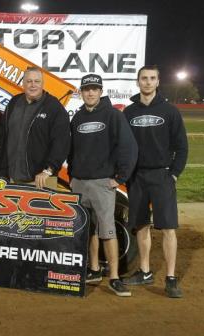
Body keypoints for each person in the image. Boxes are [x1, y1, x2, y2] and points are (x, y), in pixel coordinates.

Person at [68, 74, 138, 297]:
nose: (90, 93)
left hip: (102, 183)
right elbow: (71, 151)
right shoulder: (77, 118)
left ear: (100, 91)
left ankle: (115, 278)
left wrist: (120, 177)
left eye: (94, 89)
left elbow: (129, 147)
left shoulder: (113, 115)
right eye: (86, 89)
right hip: (79, 182)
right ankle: (94, 270)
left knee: (107, 230)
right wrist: (71, 175)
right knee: (88, 230)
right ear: (81, 91)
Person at [123, 65, 188, 298]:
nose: (148, 82)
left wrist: (173, 174)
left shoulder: (170, 111)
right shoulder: (128, 113)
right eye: (144, 78)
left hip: (162, 176)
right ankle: (145, 271)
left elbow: (182, 147)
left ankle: (170, 279)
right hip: (138, 177)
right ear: (138, 81)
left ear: (158, 82)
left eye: (152, 78)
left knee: (169, 228)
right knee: (141, 225)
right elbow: (123, 147)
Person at [3, 66, 70, 189]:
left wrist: (48, 171)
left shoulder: (54, 107)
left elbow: (61, 143)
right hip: (12, 179)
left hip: (42, 180)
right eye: (29, 81)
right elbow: (4, 135)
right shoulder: (14, 102)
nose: (33, 85)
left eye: (37, 81)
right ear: (23, 83)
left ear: (42, 83)